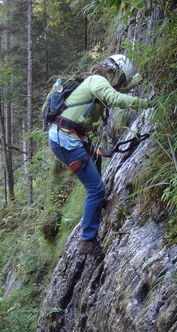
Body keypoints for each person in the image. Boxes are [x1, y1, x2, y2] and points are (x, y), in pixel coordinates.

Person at [47, 54, 149, 256]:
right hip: (65, 139)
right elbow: (116, 97)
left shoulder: (96, 82)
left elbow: (119, 90)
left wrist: (139, 78)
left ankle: (98, 201)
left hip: (66, 136)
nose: (120, 85)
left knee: (96, 157)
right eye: (120, 80)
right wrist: (146, 103)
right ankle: (88, 240)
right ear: (114, 73)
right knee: (95, 189)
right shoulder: (97, 81)